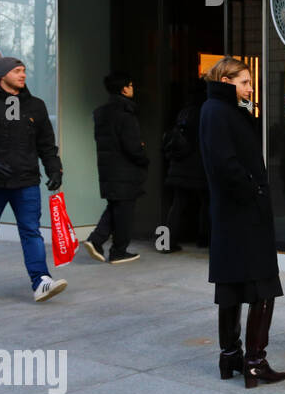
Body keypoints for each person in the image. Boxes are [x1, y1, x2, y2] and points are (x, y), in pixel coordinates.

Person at [199, 56, 285, 387]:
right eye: (245, 82)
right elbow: (225, 164)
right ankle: (255, 362)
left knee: (233, 285)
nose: (250, 88)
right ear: (227, 80)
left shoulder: (220, 110)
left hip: (232, 214)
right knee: (264, 285)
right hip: (243, 213)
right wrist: (254, 192)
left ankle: (231, 356)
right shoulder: (219, 112)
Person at [0, 57, 66, 303]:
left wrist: (55, 170)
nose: (23, 75)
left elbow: (46, 145)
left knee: (31, 231)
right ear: (2, 75)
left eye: (24, 71)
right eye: (17, 71)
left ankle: (41, 280)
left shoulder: (36, 106)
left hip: (27, 181)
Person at [85, 71, 147, 264]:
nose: (132, 88)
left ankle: (96, 240)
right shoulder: (125, 115)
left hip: (108, 169)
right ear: (124, 89)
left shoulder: (101, 113)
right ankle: (118, 251)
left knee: (116, 207)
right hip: (125, 170)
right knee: (124, 211)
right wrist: (144, 157)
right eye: (130, 85)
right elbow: (132, 147)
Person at [161, 79, 210, 252]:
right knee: (206, 202)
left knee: (178, 204)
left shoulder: (183, 112)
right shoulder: (204, 111)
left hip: (179, 166)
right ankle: (204, 238)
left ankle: (167, 243)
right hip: (198, 167)